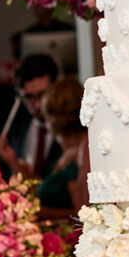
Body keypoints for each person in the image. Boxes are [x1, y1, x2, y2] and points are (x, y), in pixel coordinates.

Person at [0, 53, 60, 180]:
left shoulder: (69, 128)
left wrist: (14, 163)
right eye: (29, 97)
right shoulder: (15, 127)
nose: (37, 104)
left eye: (42, 94)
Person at [36, 77, 89, 214]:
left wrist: (38, 212)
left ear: (53, 118)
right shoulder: (64, 153)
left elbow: (82, 213)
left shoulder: (80, 157)